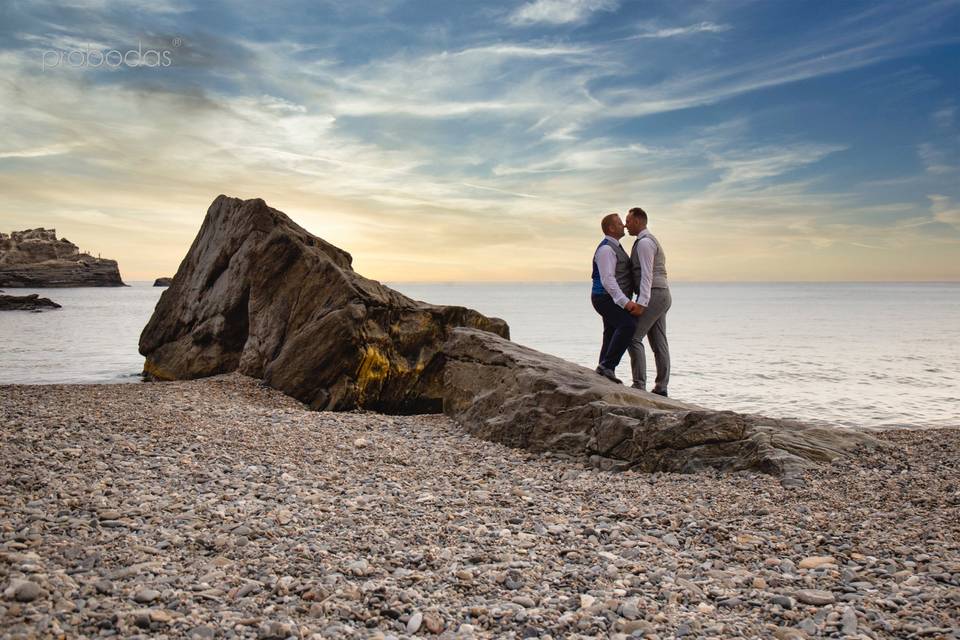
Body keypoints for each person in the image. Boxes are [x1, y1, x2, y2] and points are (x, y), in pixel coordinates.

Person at [591, 213, 643, 383]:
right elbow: (608, 280)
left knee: (611, 331)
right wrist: (626, 302)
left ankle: (603, 366)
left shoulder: (615, 247)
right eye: (621, 223)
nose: (625, 226)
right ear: (611, 228)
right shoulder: (606, 249)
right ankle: (608, 366)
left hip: (608, 297)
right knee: (628, 325)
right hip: (604, 297)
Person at [624, 207, 671, 396]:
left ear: (637, 221)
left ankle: (639, 385)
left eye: (628, 221)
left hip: (653, 294)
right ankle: (661, 387)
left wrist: (642, 302)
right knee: (659, 342)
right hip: (662, 293)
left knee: (633, 337)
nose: (626, 225)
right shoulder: (648, 240)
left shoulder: (644, 243)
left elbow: (646, 275)